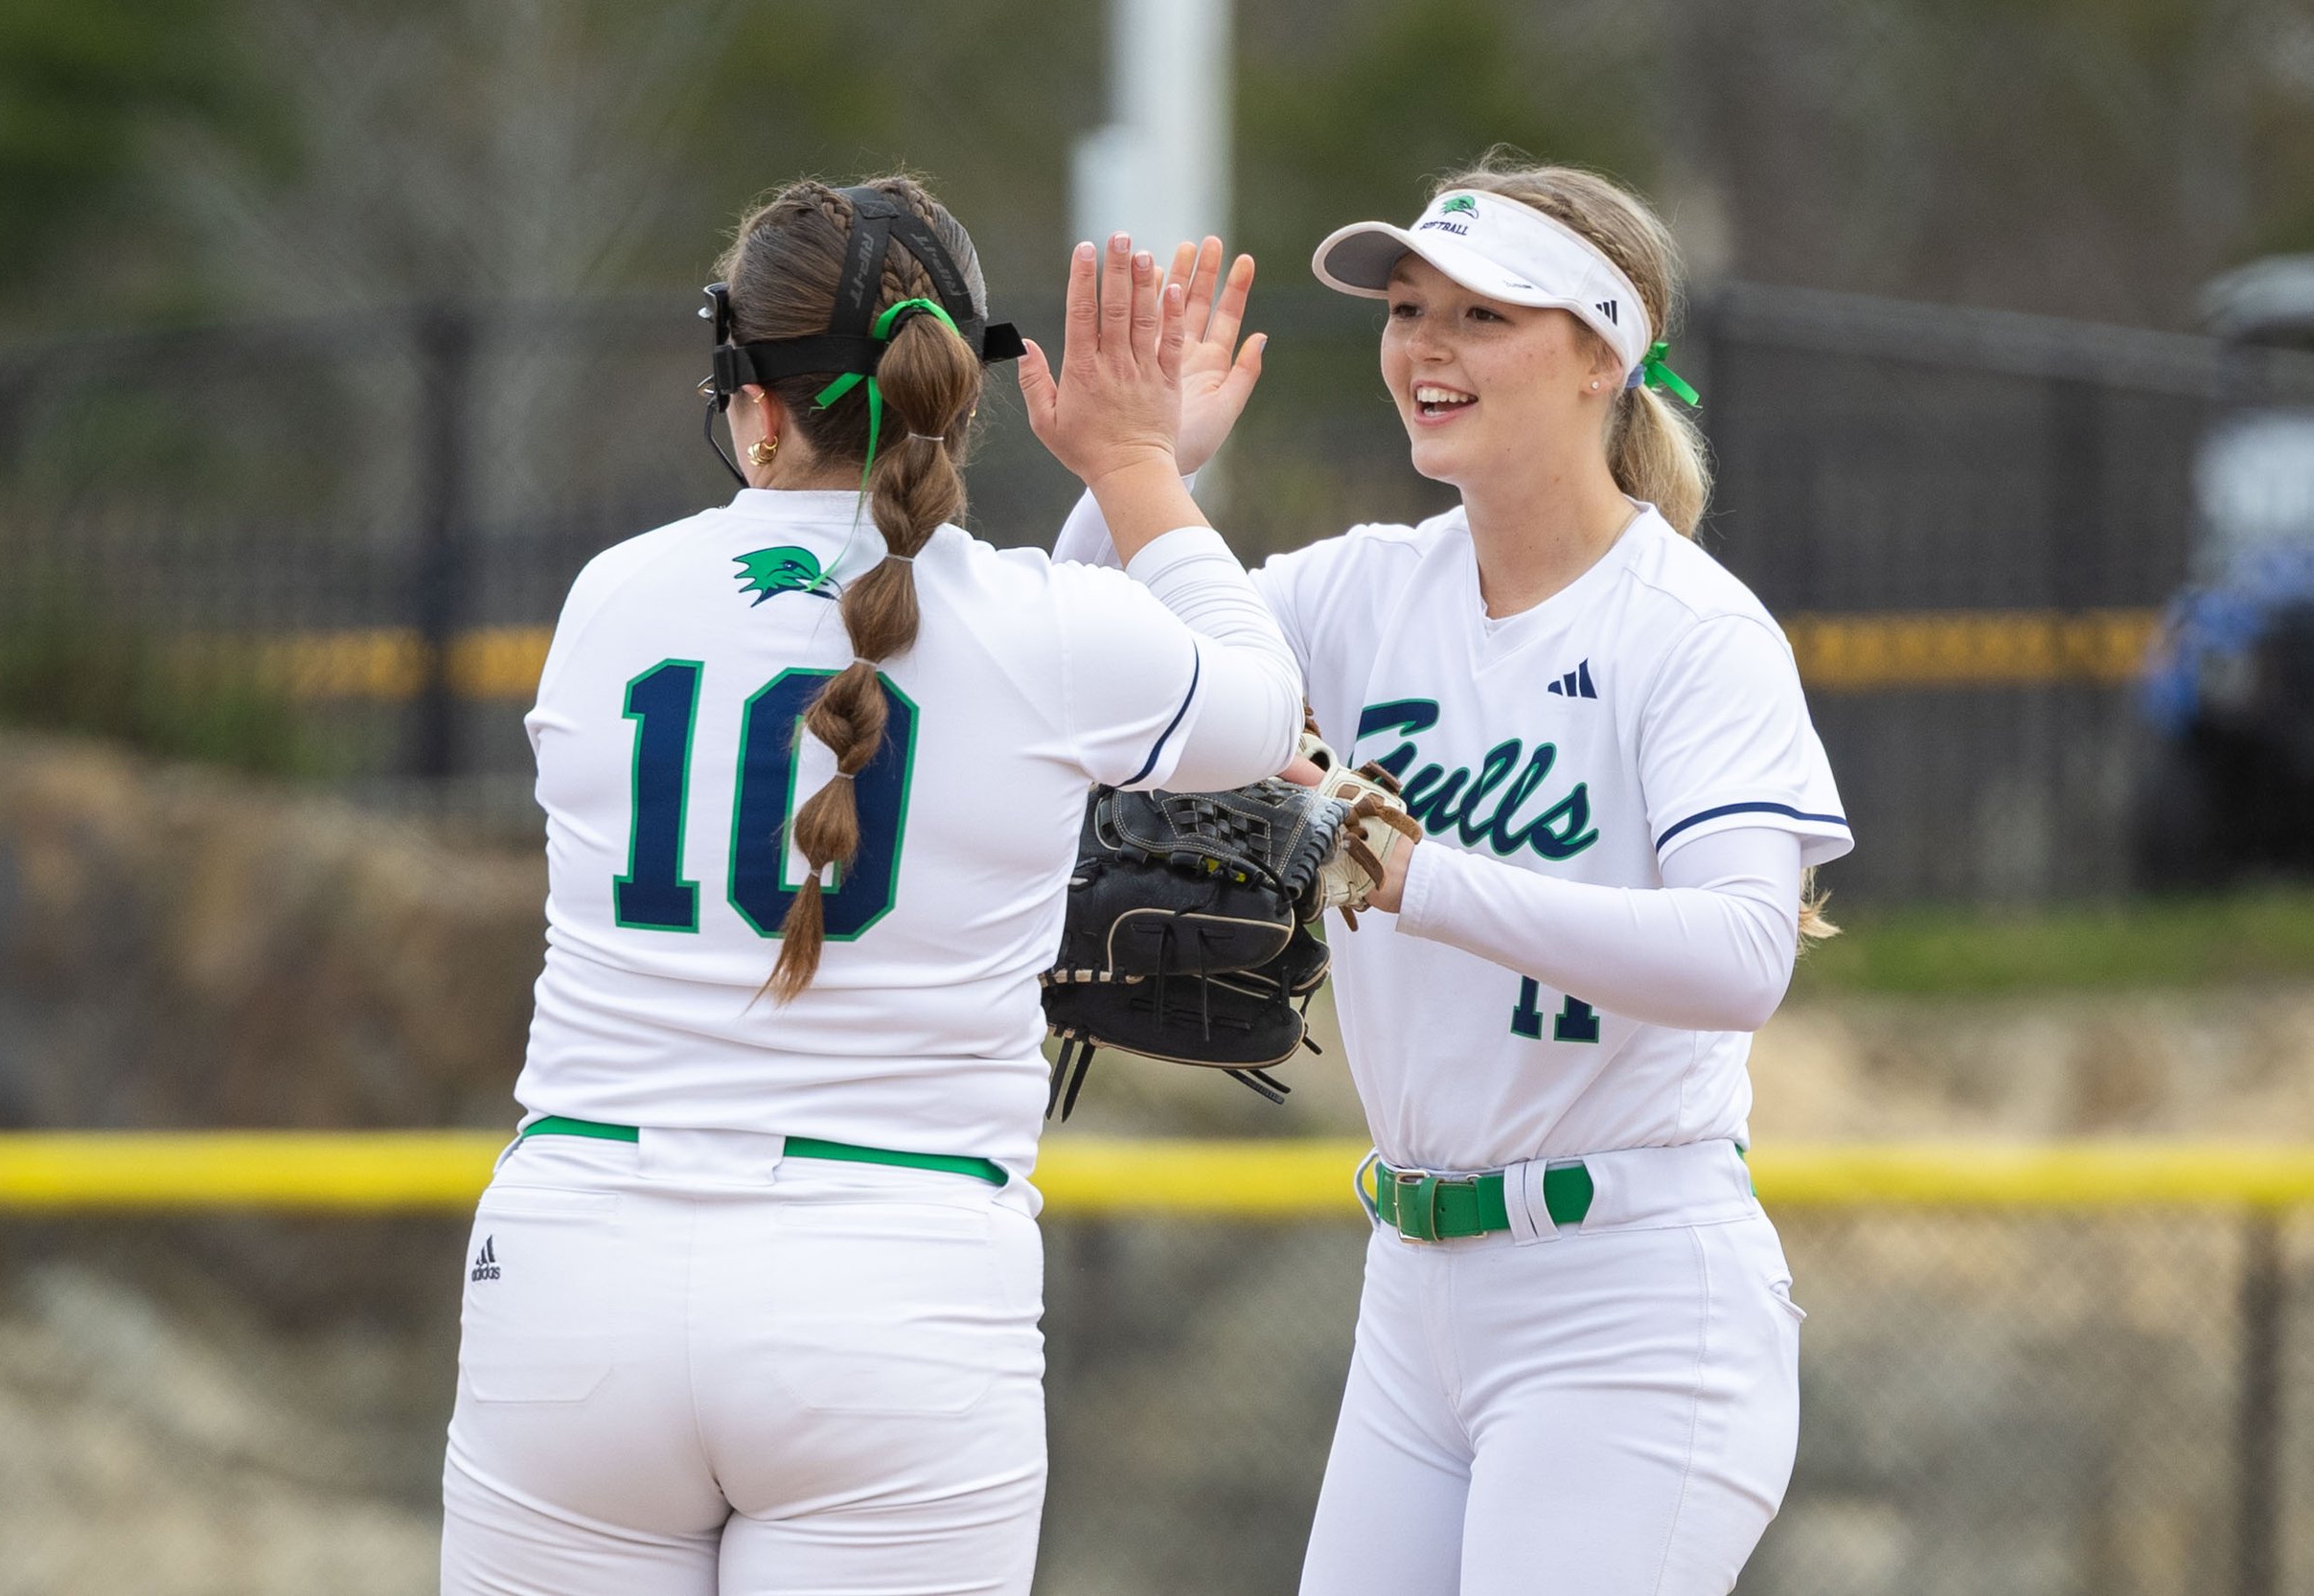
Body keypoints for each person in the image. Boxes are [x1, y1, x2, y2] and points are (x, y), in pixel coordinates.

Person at [440, 175, 1298, 1596]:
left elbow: (925, 642)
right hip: (891, 1280)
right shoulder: (1046, 628)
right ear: (956, 390)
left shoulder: (610, 596)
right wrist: (1139, 468)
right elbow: (1253, 705)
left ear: (753, 403)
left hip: (577, 1261)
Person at [1055, 158, 1851, 1594]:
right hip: (1412, 1290)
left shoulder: (1692, 630)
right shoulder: (1361, 590)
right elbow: (1090, 668)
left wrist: (1416, 878)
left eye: (1483, 315)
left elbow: (1745, 957)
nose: (1427, 344)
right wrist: (1148, 472)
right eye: (1408, 308)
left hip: (1626, 1299)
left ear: (1602, 355)